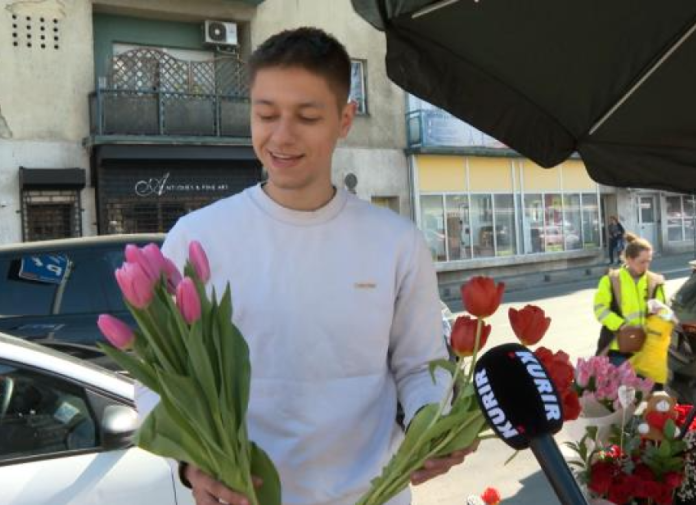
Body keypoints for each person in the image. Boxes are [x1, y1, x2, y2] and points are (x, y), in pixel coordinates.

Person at [137, 27, 472, 505]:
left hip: (373, 497)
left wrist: (431, 424)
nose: (281, 136)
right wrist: (191, 466)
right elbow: (158, 376)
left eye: (307, 116)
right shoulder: (199, 238)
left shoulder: (396, 242)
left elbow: (421, 365)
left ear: (345, 119)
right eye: (266, 115)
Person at [593, 233, 667, 386]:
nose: (646, 266)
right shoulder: (611, 279)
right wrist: (621, 325)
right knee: (621, 396)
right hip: (617, 350)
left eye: (649, 261)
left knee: (644, 398)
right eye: (642, 262)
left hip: (646, 350)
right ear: (628, 259)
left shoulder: (655, 281)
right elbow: (600, 309)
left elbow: (662, 312)